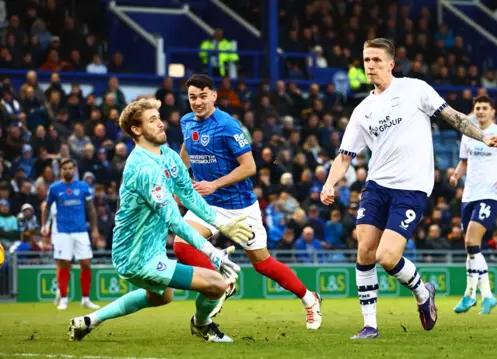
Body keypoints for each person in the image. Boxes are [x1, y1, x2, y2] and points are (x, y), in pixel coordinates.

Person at [320, 38, 497, 339]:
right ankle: (370, 325)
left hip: (412, 188)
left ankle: (422, 292)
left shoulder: (415, 89)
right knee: (365, 249)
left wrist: (482, 137)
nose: (371, 65)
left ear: (391, 64)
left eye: (377, 60)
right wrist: (330, 183)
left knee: (387, 257)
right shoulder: (363, 109)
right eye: (366, 60)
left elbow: (453, 116)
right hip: (377, 185)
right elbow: (345, 156)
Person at [68, 98, 254, 342]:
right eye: (152, 120)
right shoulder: (143, 168)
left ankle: (89, 321)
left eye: (159, 118)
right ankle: (202, 324)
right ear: (137, 129)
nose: (161, 124)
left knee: (162, 296)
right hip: (136, 256)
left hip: (152, 250)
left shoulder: (167, 155)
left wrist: (223, 223)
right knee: (217, 284)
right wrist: (211, 252)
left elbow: (189, 196)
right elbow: (174, 220)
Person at [174, 74, 322, 329]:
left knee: (263, 264)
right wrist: (179, 184)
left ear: (213, 96)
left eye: (202, 96)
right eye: (192, 97)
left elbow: (250, 167)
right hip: (206, 204)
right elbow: (185, 151)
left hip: (239, 206)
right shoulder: (187, 121)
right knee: (181, 245)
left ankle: (310, 299)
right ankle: (223, 280)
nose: (197, 102)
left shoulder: (228, 125)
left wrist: (215, 183)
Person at [449, 95, 497, 315]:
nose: (480, 111)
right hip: (469, 195)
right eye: (477, 108)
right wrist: (455, 175)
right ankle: (487, 296)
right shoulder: (469, 135)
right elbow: (464, 162)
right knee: (472, 249)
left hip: (490, 194)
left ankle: (470, 295)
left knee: (472, 240)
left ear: (493, 112)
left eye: (484, 108)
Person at [41, 159, 101, 310]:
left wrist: (94, 229)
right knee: (64, 265)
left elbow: (91, 209)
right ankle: (63, 299)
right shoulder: (55, 188)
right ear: (60, 170)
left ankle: (86, 299)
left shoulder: (83, 187)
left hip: (81, 231)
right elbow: (46, 207)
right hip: (62, 232)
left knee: (86, 264)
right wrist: (44, 225)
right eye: (65, 168)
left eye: (70, 168)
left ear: (74, 170)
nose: (68, 171)